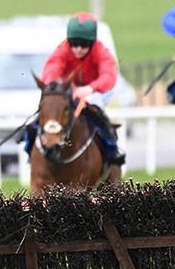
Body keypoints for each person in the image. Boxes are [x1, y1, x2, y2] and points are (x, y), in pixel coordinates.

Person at [38, 12, 125, 165]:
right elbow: (52, 66)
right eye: (74, 44)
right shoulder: (63, 49)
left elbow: (108, 76)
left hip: (97, 90)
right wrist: (52, 84)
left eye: (84, 45)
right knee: (48, 110)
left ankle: (113, 148)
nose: (78, 49)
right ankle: (29, 143)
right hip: (70, 88)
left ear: (92, 43)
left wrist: (90, 88)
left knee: (95, 111)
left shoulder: (101, 52)